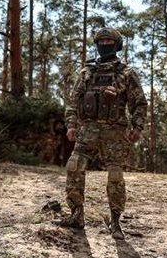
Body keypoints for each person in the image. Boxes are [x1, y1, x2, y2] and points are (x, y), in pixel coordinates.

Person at [58, 27, 147, 239]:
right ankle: (76, 215)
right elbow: (73, 102)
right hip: (87, 131)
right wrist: (71, 125)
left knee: (115, 175)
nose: (105, 45)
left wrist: (137, 127)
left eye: (109, 42)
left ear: (117, 45)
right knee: (74, 167)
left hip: (115, 133)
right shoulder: (87, 73)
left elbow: (139, 103)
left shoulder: (126, 73)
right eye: (101, 42)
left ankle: (115, 221)